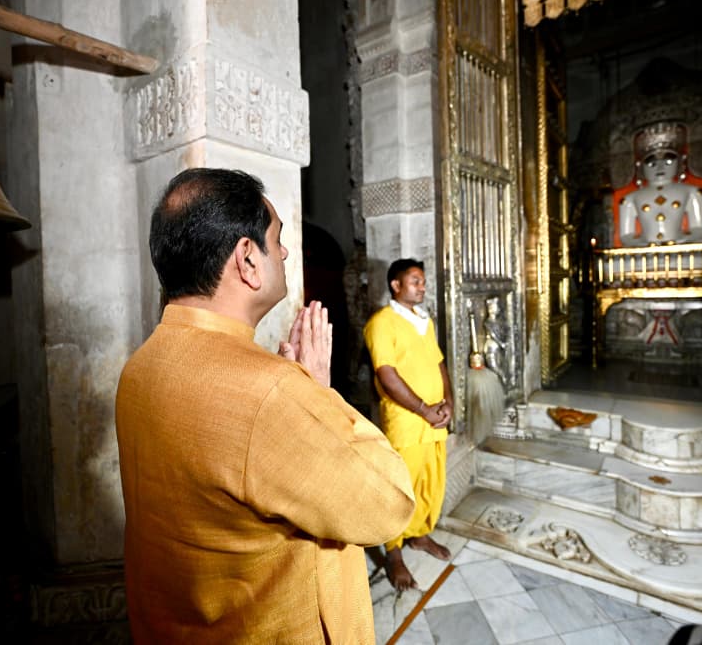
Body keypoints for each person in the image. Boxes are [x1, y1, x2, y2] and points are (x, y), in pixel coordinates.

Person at [115, 168, 415, 643]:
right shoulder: (270, 392)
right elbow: (390, 504)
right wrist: (317, 393)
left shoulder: (140, 368)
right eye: (276, 239)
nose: (285, 252)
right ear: (247, 260)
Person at [363, 258, 454, 591]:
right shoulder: (382, 323)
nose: (422, 286)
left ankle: (419, 536)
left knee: (430, 482)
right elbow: (386, 375)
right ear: (396, 285)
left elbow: (439, 364)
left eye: (423, 281)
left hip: (435, 420)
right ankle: (394, 553)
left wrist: (449, 402)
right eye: (415, 281)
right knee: (400, 489)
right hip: (406, 423)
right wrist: (422, 409)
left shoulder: (424, 321)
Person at [617, 120, 702, 246]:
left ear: (681, 162)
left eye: (668, 162)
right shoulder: (629, 199)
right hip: (644, 252)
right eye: (652, 164)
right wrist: (643, 245)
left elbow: (699, 229)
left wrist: (683, 241)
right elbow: (626, 235)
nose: (660, 168)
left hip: (681, 249)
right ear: (640, 166)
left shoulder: (693, 192)